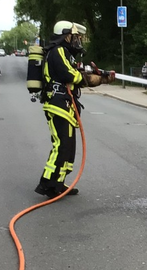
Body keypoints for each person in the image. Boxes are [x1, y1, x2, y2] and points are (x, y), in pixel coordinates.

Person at [34, 20, 115, 199]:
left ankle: (59, 183)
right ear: (66, 35)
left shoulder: (66, 54)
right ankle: (47, 183)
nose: (77, 40)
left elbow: (75, 77)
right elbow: (70, 75)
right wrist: (90, 77)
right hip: (57, 104)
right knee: (61, 145)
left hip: (65, 105)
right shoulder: (58, 51)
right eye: (75, 36)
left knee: (68, 148)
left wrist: (100, 77)